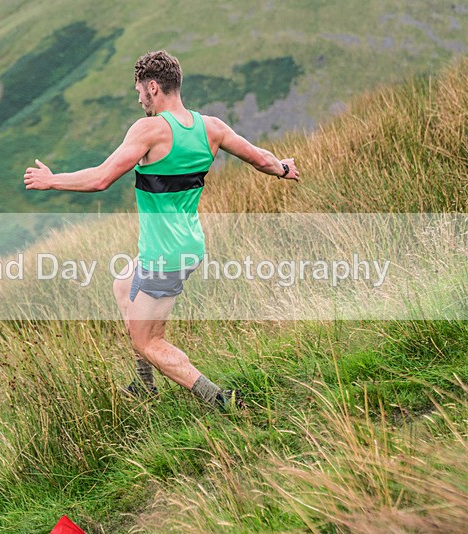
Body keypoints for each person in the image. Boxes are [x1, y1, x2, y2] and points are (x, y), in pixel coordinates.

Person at [23, 50, 299, 411]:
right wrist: (281, 167)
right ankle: (144, 384)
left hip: (163, 256)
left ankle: (220, 401)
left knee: (149, 343)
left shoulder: (149, 130)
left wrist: (51, 181)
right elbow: (258, 157)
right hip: (188, 245)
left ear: (153, 86)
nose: (139, 99)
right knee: (123, 283)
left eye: (139, 91)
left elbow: (102, 178)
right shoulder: (211, 128)